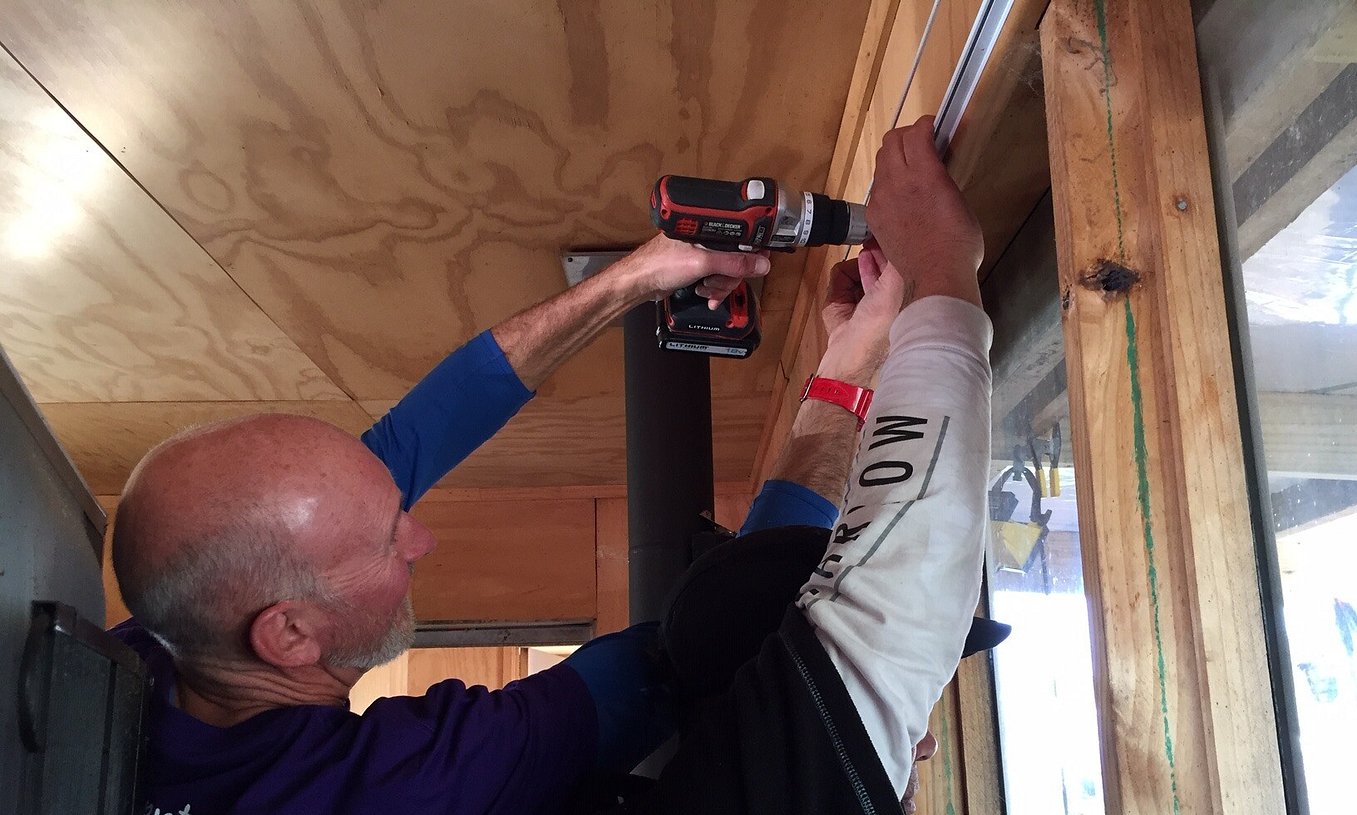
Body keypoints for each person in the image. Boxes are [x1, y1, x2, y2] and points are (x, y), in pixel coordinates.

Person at [112, 114, 1000, 815]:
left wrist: (634, 276)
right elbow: (710, 642)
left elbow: (413, 436)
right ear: (287, 636)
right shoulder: (412, 787)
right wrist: (937, 278)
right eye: (388, 539)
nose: (419, 536)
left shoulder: (158, 643)